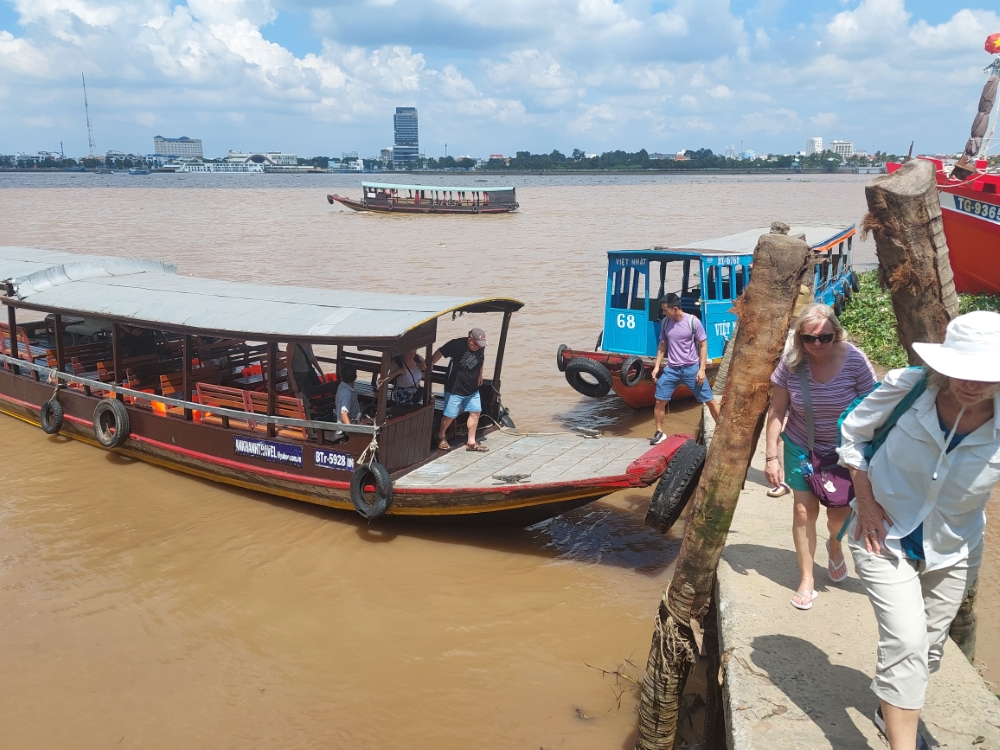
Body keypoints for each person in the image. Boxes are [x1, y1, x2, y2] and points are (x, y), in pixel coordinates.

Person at [839, 311, 1000, 750]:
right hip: (882, 535)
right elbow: (852, 435)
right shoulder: (908, 388)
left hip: (954, 546)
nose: (971, 383)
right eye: (960, 370)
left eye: (985, 374)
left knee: (928, 648)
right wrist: (866, 503)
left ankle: (884, 709)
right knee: (907, 641)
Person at [765, 302, 876, 609]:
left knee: (838, 514)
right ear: (799, 338)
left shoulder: (855, 360)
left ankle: (836, 544)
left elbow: (875, 408)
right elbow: (777, 410)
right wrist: (771, 455)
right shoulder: (791, 363)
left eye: (823, 338)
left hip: (844, 452)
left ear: (835, 334)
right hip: (802, 446)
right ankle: (807, 579)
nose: (816, 344)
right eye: (808, 338)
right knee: (803, 512)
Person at [649, 293, 719, 445]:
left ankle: (722, 430)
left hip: (691, 369)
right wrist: (656, 367)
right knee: (659, 401)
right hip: (671, 369)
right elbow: (662, 345)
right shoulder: (665, 322)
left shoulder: (693, 322)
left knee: (710, 401)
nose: (663, 313)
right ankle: (659, 432)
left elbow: (703, 345)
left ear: (675, 309)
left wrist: (702, 370)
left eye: (665, 310)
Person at [431, 328, 488, 452]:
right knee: (450, 415)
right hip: (455, 389)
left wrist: (480, 375)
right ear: (470, 340)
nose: (479, 347)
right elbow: (440, 351)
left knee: (475, 412)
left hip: (472, 389)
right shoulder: (456, 345)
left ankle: (471, 442)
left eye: (481, 345)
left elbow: (481, 359)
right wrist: (430, 363)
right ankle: (441, 435)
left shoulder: (480, 347)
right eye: (477, 344)